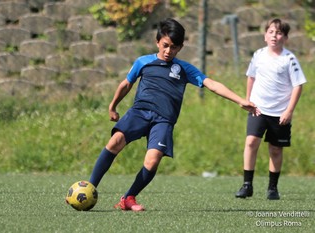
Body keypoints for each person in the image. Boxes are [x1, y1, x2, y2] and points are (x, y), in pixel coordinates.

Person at [89, 18, 258, 211]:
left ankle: (128, 198)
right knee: (115, 141)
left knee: (152, 160)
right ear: (157, 42)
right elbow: (126, 84)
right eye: (165, 46)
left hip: (163, 120)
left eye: (174, 47)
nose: (168, 51)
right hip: (139, 112)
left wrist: (239, 100)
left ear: (180, 48)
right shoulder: (143, 62)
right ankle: (89, 187)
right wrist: (113, 106)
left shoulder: (184, 69)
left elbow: (212, 84)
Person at [235, 18, 307, 200]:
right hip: (258, 109)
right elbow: (251, 77)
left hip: (279, 113)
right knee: (251, 142)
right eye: (271, 32)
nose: (275, 36)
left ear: (286, 37)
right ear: (265, 35)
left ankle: (272, 188)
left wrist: (289, 111)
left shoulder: (289, 59)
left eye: (279, 33)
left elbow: (298, 86)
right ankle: (247, 185)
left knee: (275, 149)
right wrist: (248, 100)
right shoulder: (258, 54)